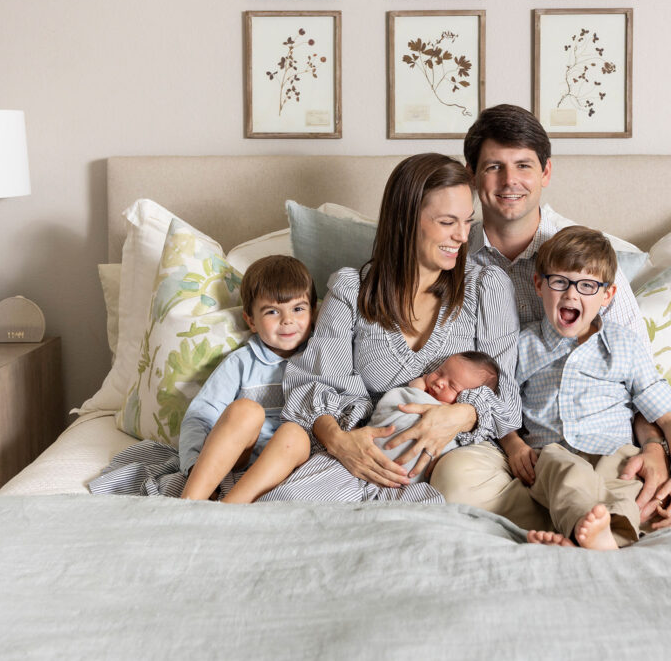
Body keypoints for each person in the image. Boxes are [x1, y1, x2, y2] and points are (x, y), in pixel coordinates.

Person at [430, 104, 671, 531]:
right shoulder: (448, 254)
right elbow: (466, 377)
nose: (510, 182)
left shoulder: (588, 260)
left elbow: (638, 382)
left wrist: (654, 449)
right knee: (452, 482)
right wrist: (509, 441)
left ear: (545, 173)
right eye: (494, 167)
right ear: (472, 174)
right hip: (524, 450)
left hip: (614, 446)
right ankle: (612, 518)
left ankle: (585, 516)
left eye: (523, 165)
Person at [264, 153, 521, 503]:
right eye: (448, 222)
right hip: (365, 453)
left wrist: (459, 414)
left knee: (453, 497)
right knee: (288, 503)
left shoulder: (486, 287)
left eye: (467, 221)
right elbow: (315, 386)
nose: (462, 236)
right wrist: (341, 444)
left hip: (456, 456)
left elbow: (507, 397)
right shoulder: (350, 289)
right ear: (405, 221)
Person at [502, 226, 671, 550]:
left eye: (587, 285)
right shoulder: (522, 346)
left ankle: (590, 538)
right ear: (538, 285)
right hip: (554, 455)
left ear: (607, 296)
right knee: (563, 471)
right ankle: (589, 533)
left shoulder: (624, 345)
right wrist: (512, 445)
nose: (571, 295)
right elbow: (500, 408)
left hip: (615, 456)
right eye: (560, 282)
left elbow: (670, 418)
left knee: (629, 491)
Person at [259, 351, 501, 504]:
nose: (438, 383)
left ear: (468, 398)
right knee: (298, 496)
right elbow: (392, 408)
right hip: (355, 462)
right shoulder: (414, 393)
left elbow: (490, 422)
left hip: (405, 486)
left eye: (453, 386)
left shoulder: (466, 421)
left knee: (431, 509)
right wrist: (415, 391)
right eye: (439, 372)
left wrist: (463, 414)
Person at [177, 254, 316, 504]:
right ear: (251, 320)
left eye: (298, 309)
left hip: (284, 464)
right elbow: (200, 415)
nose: (287, 320)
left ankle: (230, 508)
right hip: (237, 458)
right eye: (273, 311)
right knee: (246, 411)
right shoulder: (241, 362)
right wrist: (193, 463)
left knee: (294, 434)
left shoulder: (322, 358)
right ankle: (190, 502)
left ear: (313, 313)